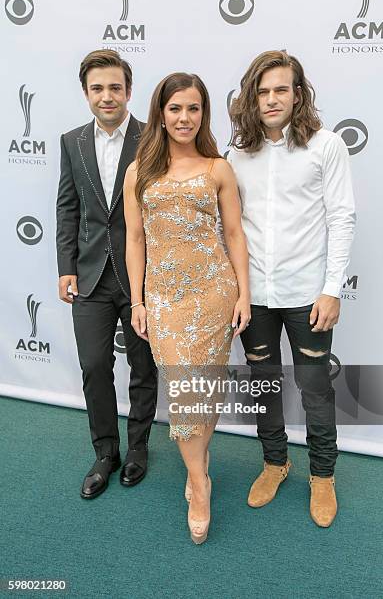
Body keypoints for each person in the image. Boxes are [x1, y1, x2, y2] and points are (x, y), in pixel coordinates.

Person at [228, 50, 356, 527]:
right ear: (251, 99)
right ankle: (274, 463)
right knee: (264, 386)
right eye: (262, 92)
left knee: (315, 389)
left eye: (281, 89)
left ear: (298, 94)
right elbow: (231, 228)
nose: (271, 99)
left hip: (308, 296)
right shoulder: (237, 155)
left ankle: (322, 475)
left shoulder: (327, 146)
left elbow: (342, 218)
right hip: (255, 296)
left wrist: (331, 289)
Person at [123, 72, 250, 543]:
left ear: (204, 114)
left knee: (207, 389)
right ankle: (199, 484)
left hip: (214, 294)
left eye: (193, 108)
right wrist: (137, 300)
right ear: (160, 112)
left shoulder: (218, 168)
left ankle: (199, 463)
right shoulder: (139, 172)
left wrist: (243, 293)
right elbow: (135, 240)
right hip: (166, 300)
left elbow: (235, 235)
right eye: (175, 108)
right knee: (184, 396)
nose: (184, 117)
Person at [56, 50, 157, 500]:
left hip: (144, 278)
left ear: (128, 91)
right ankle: (105, 452)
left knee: (143, 367)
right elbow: (67, 208)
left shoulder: (153, 138)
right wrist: (65, 268)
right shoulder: (71, 141)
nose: (107, 96)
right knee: (95, 366)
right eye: (97, 88)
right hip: (90, 277)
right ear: (86, 94)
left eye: (115, 87)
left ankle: (138, 448)